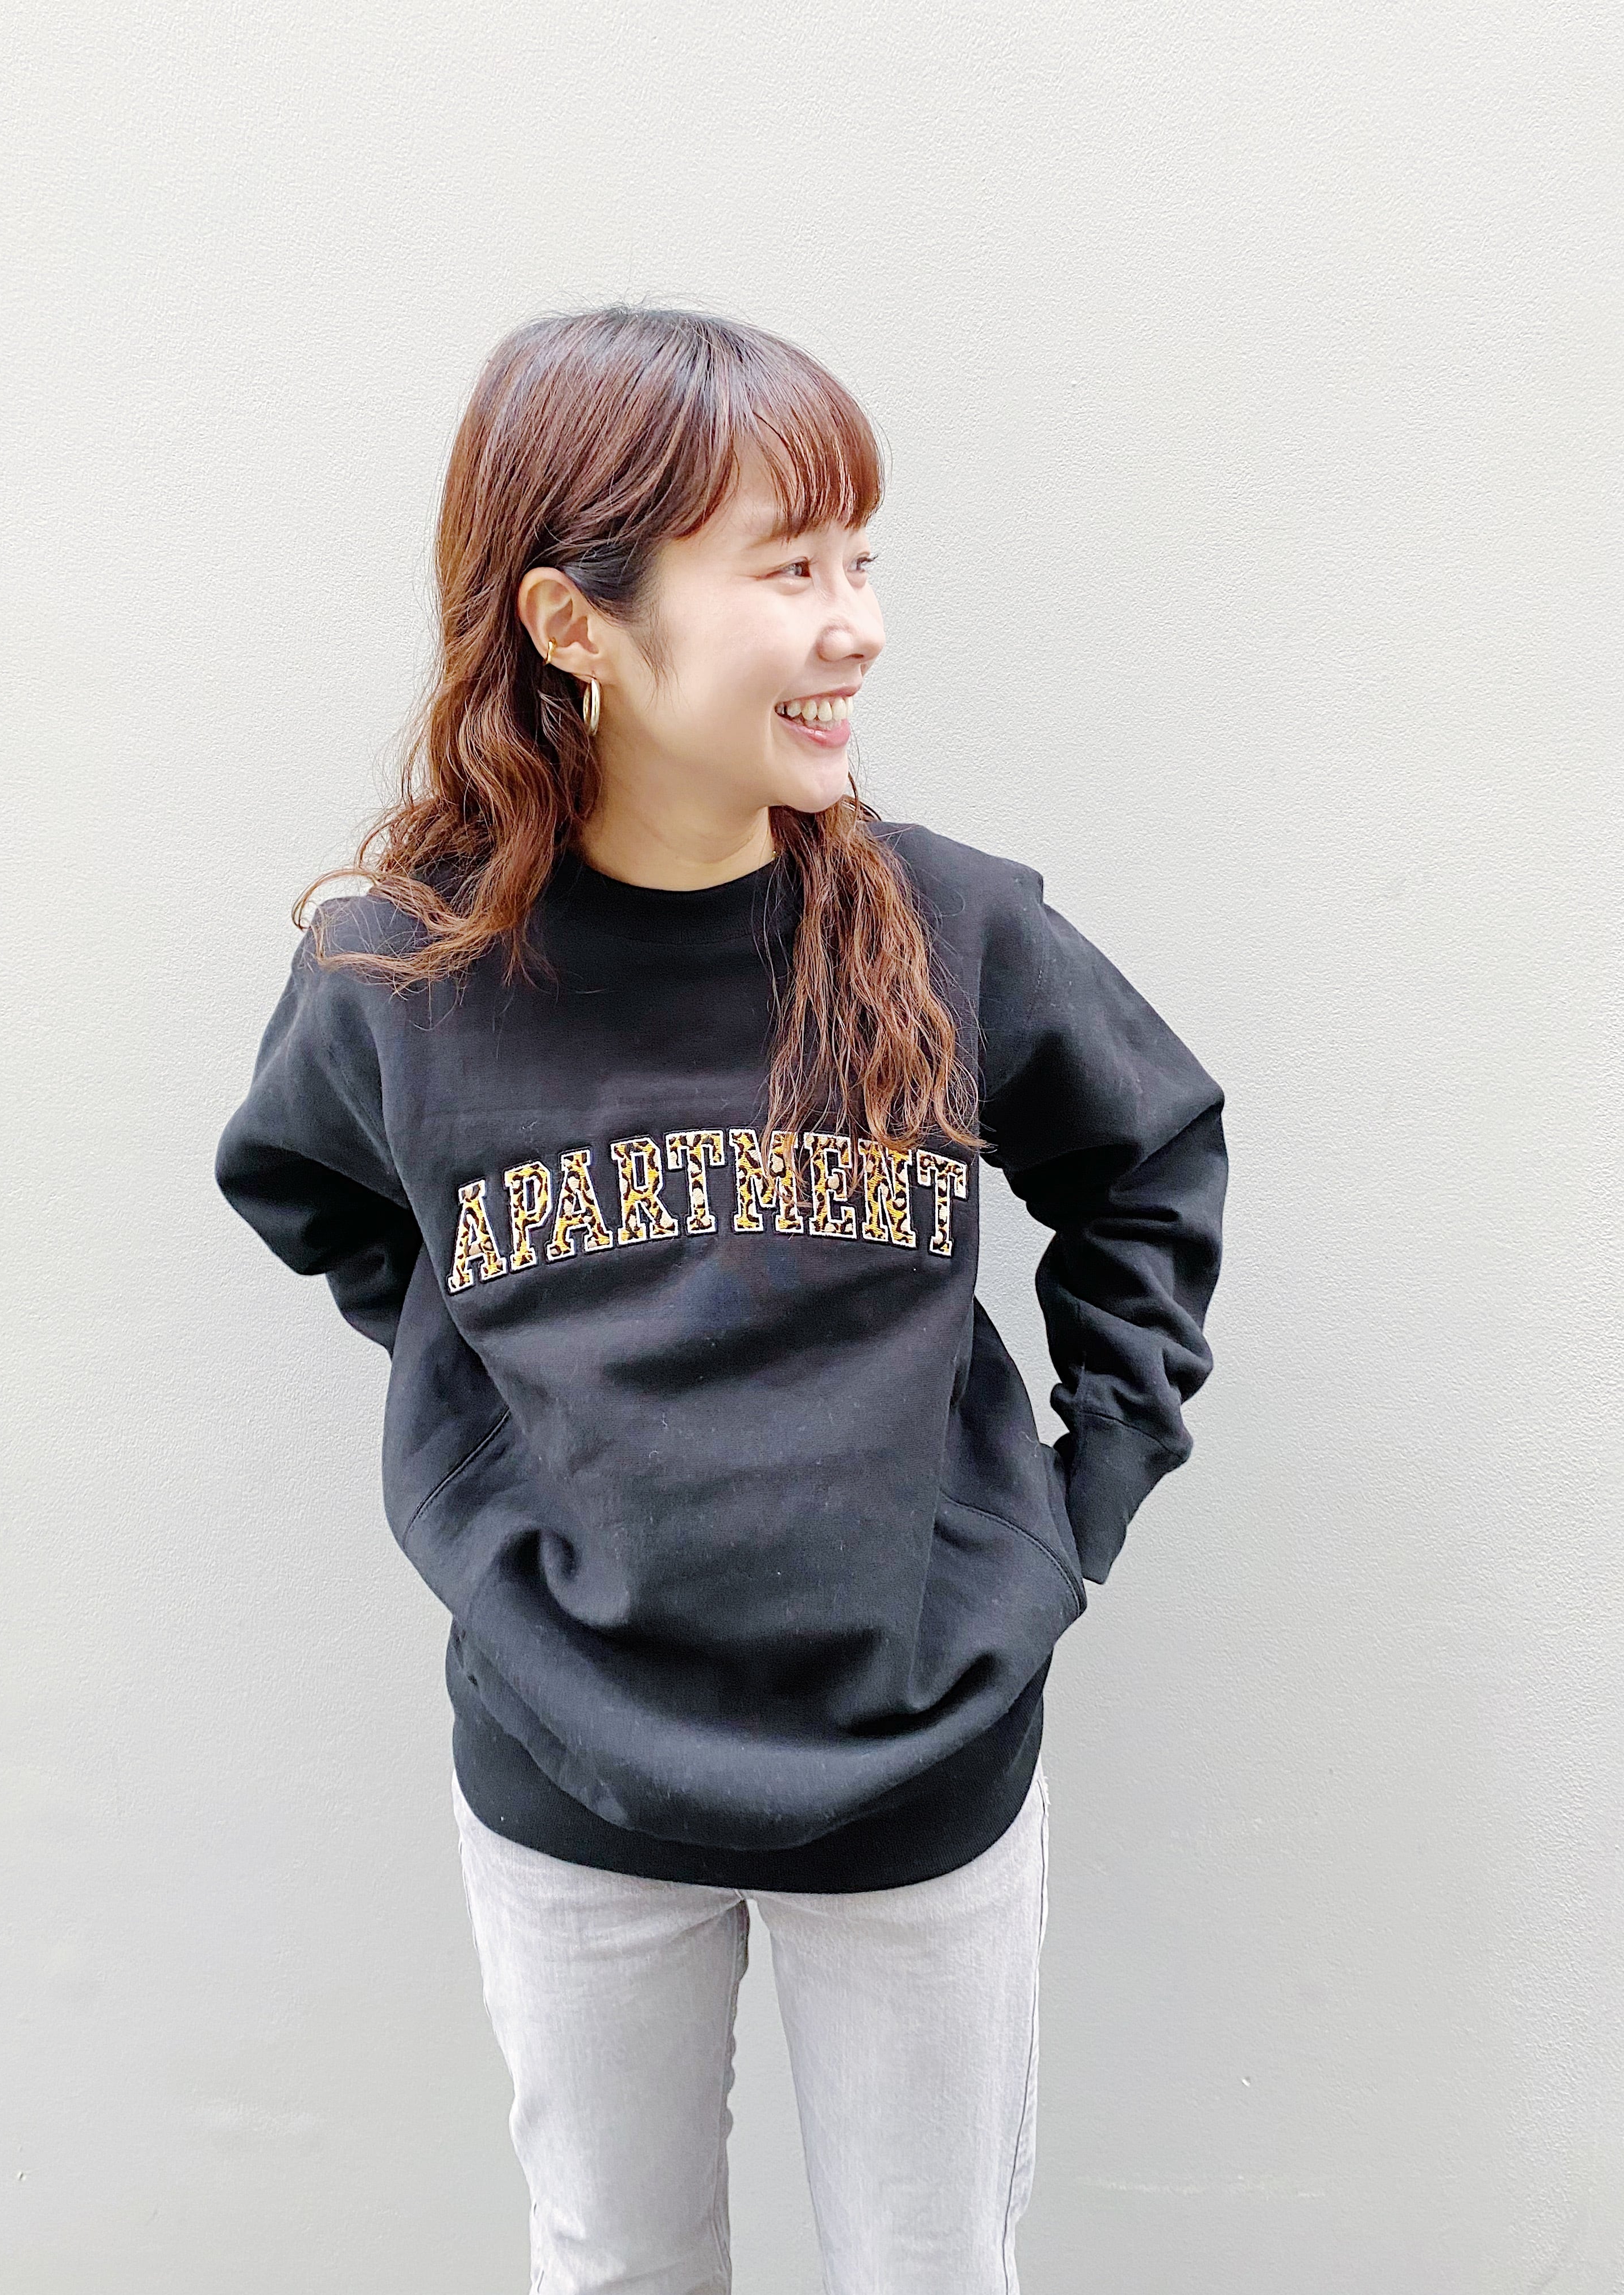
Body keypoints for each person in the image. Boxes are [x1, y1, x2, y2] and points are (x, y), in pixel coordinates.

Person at [214, 302, 1228, 2295]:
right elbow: (310, 1191)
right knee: (615, 2262)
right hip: (567, 1765)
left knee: (928, 2269)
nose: (859, 626)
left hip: (920, 1758)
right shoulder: (398, 977)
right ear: (573, 623)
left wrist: (1070, 1504)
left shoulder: (951, 929)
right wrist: (502, 1418)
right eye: (790, 571)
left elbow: (1149, 1160)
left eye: (862, 562)